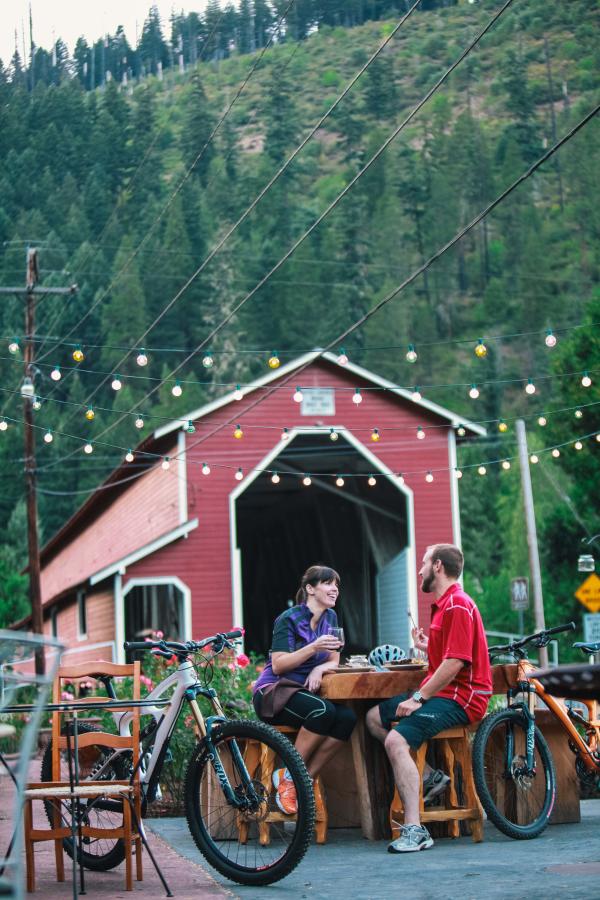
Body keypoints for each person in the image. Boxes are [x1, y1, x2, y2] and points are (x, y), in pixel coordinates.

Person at [366, 543, 492, 853]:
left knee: (395, 741)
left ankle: (415, 830)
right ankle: (428, 777)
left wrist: (419, 698)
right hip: (446, 693)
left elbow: (455, 663)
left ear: (437, 566)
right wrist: (426, 646)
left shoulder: (458, 605)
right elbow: (448, 654)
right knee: (372, 718)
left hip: (463, 698)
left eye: (424, 563)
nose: (420, 569)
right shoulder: (444, 605)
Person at [253, 564, 357, 814]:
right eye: (328, 583)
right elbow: (278, 665)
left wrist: (319, 669)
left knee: (347, 718)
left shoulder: (330, 618)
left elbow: (333, 658)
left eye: (336, 585)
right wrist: (312, 648)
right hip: (273, 692)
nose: (334, 589)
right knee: (322, 711)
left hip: (301, 694)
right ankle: (289, 776)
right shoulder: (288, 619)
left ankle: (303, 780)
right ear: (310, 589)